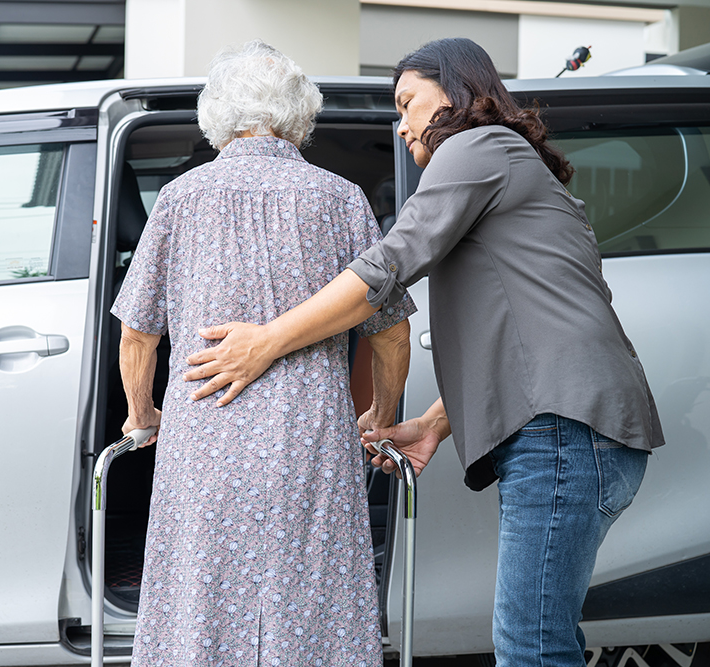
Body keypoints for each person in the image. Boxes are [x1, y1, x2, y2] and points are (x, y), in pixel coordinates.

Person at [182, 38, 664, 667]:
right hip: (576, 432)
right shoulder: (509, 162)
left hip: (567, 434)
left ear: (458, 89)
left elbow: (386, 267)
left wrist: (266, 341)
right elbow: (526, 333)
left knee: (531, 647)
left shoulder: (477, 146)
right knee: (542, 640)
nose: (402, 122)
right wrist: (435, 423)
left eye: (409, 102)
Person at [112, 40, 415, 667]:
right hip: (308, 445)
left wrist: (143, 417)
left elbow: (139, 335)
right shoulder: (341, 198)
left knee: (201, 599)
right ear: (301, 115)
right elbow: (388, 333)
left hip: (204, 440)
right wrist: (383, 416)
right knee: (311, 599)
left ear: (215, 114)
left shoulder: (178, 199)